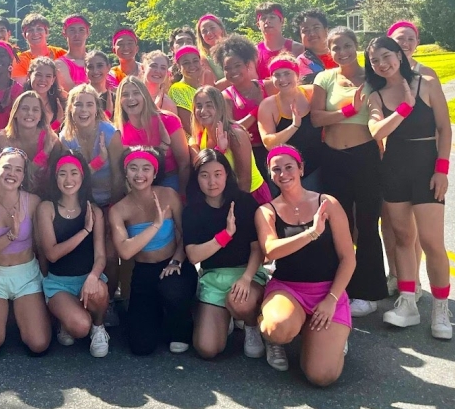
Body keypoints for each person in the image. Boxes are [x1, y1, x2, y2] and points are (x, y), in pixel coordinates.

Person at [364, 35, 453, 339]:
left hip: (426, 167)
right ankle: (408, 303)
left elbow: (444, 128)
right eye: (375, 61)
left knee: (431, 242)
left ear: (399, 55)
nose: (382, 64)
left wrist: (442, 170)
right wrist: (403, 108)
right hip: (394, 167)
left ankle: (441, 308)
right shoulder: (376, 95)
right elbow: (376, 129)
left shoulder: (426, 82)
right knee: (403, 238)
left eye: (387, 56)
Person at [255, 147, 355, 384]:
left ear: (301, 168)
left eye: (289, 167)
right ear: (270, 175)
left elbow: (348, 258)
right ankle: (277, 339)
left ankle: (327, 338)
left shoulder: (327, 203)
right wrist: (311, 233)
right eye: (276, 169)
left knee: (322, 376)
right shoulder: (266, 211)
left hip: (328, 290)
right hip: (288, 289)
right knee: (277, 328)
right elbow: (270, 251)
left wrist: (331, 299)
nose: (283, 173)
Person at [309, 27, 388, 318]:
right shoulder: (324, 78)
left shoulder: (373, 78)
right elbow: (316, 119)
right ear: (328, 52)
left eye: (346, 45)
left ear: (356, 46)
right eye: (335, 47)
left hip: (365, 157)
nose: (341, 52)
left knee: (367, 224)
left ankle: (369, 292)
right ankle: (336, 287)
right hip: (333, 159)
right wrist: (346, 111)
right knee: (336, 225)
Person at [109, 147, 197, 355]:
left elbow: (187, 235)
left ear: (155, 173)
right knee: (141, 347)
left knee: (172, 289)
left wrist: (176, 261)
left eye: (146, 168)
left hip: (174, 264)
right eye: (133, 168)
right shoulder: (119, 209)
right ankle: (157, 313)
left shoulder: (169, 195)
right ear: (126, 172)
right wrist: (155, 225)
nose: (140, 175)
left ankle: (181, 323)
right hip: (143, 271)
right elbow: (125, 251)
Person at [183, 149, 267, 360]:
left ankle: (250, 325)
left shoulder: (245, 202)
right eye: (205, 175)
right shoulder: (192, 210)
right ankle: (225, 316)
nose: (212, 181)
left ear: (227, 175)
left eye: (218, 174)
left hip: (247, 274)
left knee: (239, 301)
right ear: (197, 178)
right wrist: (225, 235)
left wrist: (246, 279)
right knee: (207, 348)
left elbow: (258, 249)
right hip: (213, 278)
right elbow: (193, 255)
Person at [0, 148, 51, 356]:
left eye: (18, 170)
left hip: (26, 276)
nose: (11, 174)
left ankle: (18, 313)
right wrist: (10, 236)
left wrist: (44, 281)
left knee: (39, 344)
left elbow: (41, 247)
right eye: (6, 167)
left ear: (23, 175)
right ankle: (5, 315)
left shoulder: (33, 202)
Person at [381, 19, 437, 292]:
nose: (405, 43)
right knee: (390, 225)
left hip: (421, 160)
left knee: (414, 228)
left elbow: (438, 124)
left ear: (417, 43)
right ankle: (395, 274)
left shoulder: (426, 75)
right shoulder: (383, 73)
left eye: (410, 39)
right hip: (388, 160)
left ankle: (412, 280)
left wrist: (438, 164)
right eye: (399, 39)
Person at [36, 151, 110, 357]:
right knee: (79, 327)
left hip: (87, 277)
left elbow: (101, 256)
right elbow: (52, 254)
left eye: (74, 173)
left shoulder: (94, 210)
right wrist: (84, 231)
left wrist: (93, 276)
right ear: (55, 177)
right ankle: (66, 319)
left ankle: (99, 326)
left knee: (98, 291)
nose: (69, 179)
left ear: (82, 176)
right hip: (58, 282)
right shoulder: (46, 208)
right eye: (62, 174)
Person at [59, 83, 120, 304]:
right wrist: (96, 164)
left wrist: (112, 210)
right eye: (78, 105)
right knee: (83, 254)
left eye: (89, 104)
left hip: (110, 201)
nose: (83, 110)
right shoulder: (65, 137)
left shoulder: (109, 132)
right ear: (70, 109)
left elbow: (119, 175)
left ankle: (110, 300)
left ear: (96, 108)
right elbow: (70, 178)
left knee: (111, 256)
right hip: (82, 202)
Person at [189, 86, 271, 205]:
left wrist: (235, 210)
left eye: (209, 105)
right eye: (199, 106)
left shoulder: (235, 134)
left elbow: (245, 180)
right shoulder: (201, 136)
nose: (203, 111)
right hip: (223, 198)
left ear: (219, 107)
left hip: (250, 197)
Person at [109, 76, 190, 194]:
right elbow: (118, 174)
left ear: (145, 96)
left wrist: (182, 195)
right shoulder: (118, 131)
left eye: (136, 93)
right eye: (125, 95)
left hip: (168, 180)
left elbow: (184, 163)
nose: (131, 98)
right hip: (136, 184)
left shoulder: (168, 120)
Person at [257, 56, 322, 188]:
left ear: (297, 75)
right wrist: (294, 126)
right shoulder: (268, 105)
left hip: (316, 167)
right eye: (277, 75)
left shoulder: (312, 93)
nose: (282, 79)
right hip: (284, 173)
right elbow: (268, 143)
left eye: (287, 73)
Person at [217, 34, 271, 182]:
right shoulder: (225, 97)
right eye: (227, 68)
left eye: (237, 65)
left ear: (248, 65)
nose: (233, 71)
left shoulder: (268, 86)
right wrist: (257, 112)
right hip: (248, 155)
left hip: (274, 149)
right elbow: (232, 129)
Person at [0, 90, 59, 198]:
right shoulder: (2, 139)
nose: (30, 113)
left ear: (40, 116)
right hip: (10, 193)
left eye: (35, 110)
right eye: (25, 108)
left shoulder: (50, 138)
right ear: (15, 113)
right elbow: (22, 176)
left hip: (44, 196)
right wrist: (44, 153)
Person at [254, 3, 303, 80]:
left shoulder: (298, 49)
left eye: (272, 17)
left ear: (282, 21)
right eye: (263, 18)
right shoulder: (254, 53)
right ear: (258, 25)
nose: (267, 21)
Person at [12, 13, 66, 81]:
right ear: (24, 35)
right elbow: (21, 88)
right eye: (30, 30)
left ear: (46, 32)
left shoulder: (61, 54)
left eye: (39, 29)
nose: (35, 33)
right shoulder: (21, 60)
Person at [293, 10, 336, 85]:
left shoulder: (340, 54)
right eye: (305, 30)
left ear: (326, 30)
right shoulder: (301, 62)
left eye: (316, 28)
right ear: (300, 37)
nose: (312, 34)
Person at [168, 45, 204, 136]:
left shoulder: (204, 89)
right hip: (192, 145)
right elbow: (190, 127)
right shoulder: (177, 89)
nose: (192, 66)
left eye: (195, 61)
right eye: (186, 63)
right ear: (179, 67)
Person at [26, 55, 65, 130]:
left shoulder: (59, 102)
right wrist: (57, 122)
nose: (43, 80)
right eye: (38, 75)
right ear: (29, 75)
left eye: (48, 76)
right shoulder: (20, 101)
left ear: (53, 80)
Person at [55, 15, 91, 92]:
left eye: (81, 30)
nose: (77, 35)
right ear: (64, 34)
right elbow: (72, 91)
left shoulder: (95, 60)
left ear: (88, 33)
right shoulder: (59, 64)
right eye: (72, 30)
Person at [140, 50, 178, 115]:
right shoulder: (131, 95)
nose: (158, 71)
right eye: (153, 66)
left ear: (167, 72)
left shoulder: (169, 104)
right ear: (143, 68)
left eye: (163, 68)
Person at [196, 14, 228, 85]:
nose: (209, 33)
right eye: (204, 31)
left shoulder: (234, 48)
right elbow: (212, 86)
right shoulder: (203, 58)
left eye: (212, 28)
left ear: (221, 29)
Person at [85, 49, 118, 118]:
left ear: (108, 67)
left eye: (100, 66)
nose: (95, 71)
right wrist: (107, 114)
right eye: (90, 67)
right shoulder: (79, 96)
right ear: (85, 70)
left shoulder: (116, 98)